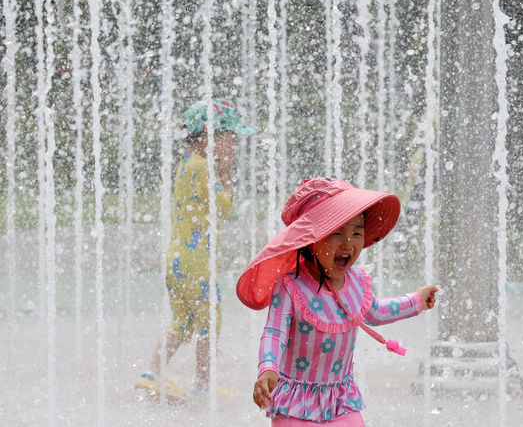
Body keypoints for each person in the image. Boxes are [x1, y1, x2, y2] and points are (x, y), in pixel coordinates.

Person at [236, 177, 438, 425]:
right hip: (296, 403)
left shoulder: (357, 283)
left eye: (356, 233)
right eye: (336, 233)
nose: (348, 243)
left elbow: (375, 312)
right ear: (310, 240)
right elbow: (274, 332)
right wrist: (268, 368)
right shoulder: (290, 287)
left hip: (341, 399)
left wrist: (416, 300)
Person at [134, 98, 255, 403]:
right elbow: (223, 206)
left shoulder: (187, 164)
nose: (233, 146)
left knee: (183, 322)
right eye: (229, 138)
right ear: (210, 137)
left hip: (178, 262)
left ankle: (152, 373)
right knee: (209, 322)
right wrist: (226, 173)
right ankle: (201, 385)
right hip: (197, 264)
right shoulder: (203, 168)